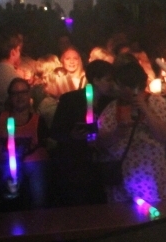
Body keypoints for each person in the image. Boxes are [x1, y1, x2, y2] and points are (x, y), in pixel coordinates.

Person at [95, 59, 166, 206]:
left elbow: (164, 136)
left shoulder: (158, 103)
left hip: (153, 175)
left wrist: (145, 108)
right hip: (123, 177)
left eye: (120, 85)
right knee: (125, 216)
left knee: (155, 215)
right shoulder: (113, 107)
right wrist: (118, 132)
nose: (117, 88)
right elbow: (100, 142)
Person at [49, 59, 116, 207]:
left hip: (101, 163)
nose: (112, 84)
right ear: (96, 80)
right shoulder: (70, 100)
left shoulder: (110, 102)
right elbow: (55, 131)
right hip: (76, 163)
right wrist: (72, 135)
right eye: (108, 80)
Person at [0, 78, 49, 208]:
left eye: (23, 92)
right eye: (15, 93)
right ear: (10, 97)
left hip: (33, 172)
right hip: (4, 170)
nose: (20, 97)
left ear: (29, 94)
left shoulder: (39, 121)